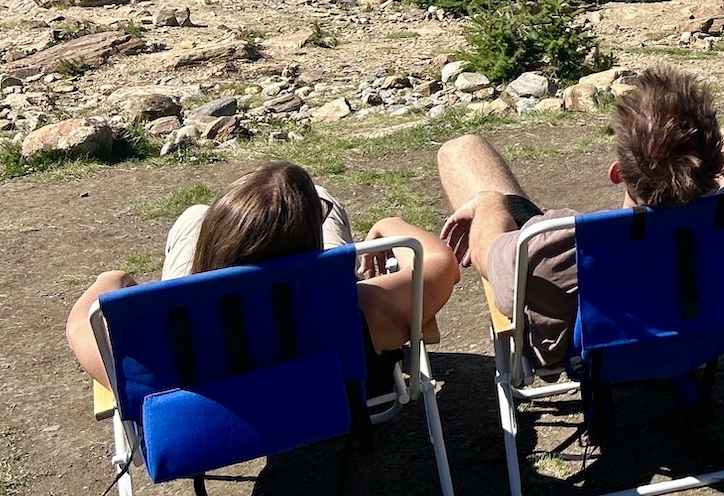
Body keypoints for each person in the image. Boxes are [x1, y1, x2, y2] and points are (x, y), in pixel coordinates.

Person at [437, 65, 724, 366]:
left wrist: (491, 203)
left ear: (618, 173)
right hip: (708, 336)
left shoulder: (553, 246)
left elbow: (486, 254)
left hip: (588, 351)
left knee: (461, 149)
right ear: (715, 165)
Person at [65, 161, 461, 389]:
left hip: (199, 339)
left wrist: (110, 280)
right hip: (318, 353)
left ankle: (219, 226)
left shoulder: (160, 340)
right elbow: (440, 264)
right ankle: (312, 211)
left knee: (192, 217)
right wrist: (389, 223)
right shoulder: (354, 309)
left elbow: (82, 326)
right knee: (320, 195)